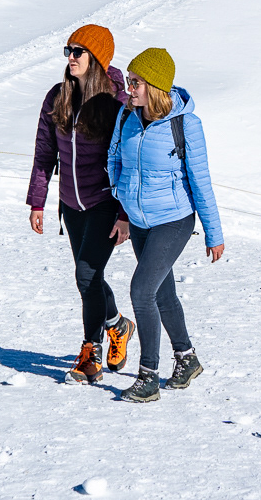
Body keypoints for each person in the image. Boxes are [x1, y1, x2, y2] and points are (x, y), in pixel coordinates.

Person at [105, 48, 224, 402]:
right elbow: (115, 159)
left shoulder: (185, 125)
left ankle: (149, 376)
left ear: (155, 85)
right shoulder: (127, 116)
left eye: (136, 82)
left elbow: (200, 181)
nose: (130, 88)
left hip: (174, 220)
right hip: (140, 219)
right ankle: (186, 358)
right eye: (129, 80)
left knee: (142, 291)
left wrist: (213, 233)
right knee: (162, 292)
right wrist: (123, 207)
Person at [27, 25, 136, 384]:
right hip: (70, 205)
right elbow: (45, 152)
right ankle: (117, 325)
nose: (70, 58)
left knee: (86, 275)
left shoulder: (116, 102)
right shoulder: (57, 97)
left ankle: (91, 354)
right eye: (68, 50)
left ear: (97, 58)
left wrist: (124, 215)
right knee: (90, 278)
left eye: (78, 51)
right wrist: (38, 202)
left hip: (105, 202)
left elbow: (129, 161)